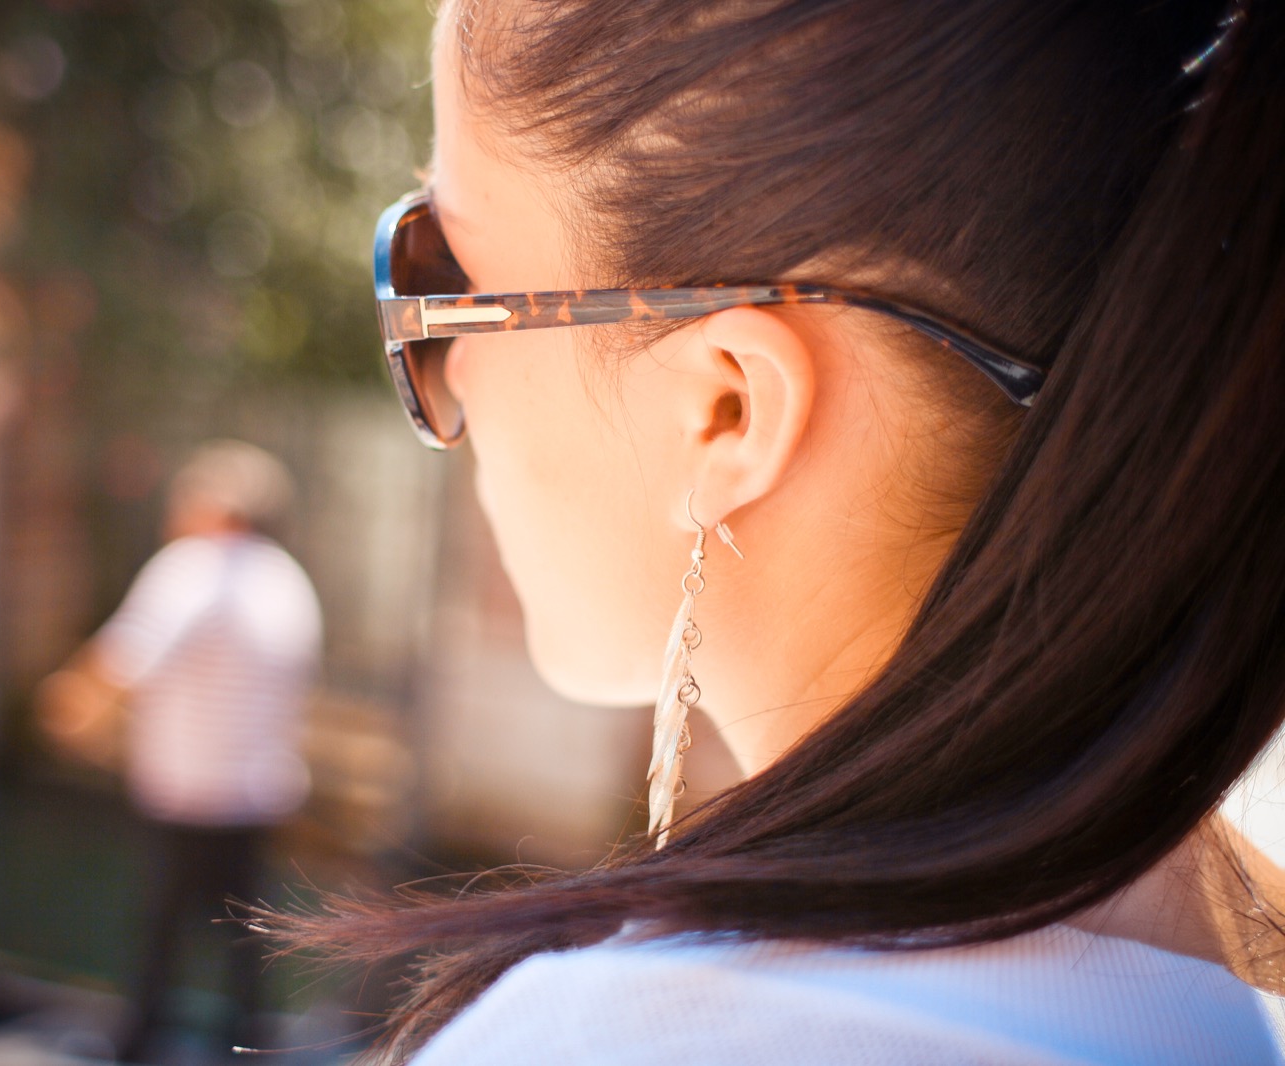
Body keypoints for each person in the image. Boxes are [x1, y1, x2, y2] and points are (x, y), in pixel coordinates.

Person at [281, 0, 1285, 1062]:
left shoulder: (620, 1043)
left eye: (447, 277)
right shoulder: (1215, 1023)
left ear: (726, 409)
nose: (445, 379)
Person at [40, 440, 322, 1061]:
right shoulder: (289, 580)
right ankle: (248, 1045)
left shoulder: (192, 568)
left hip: (188, 795)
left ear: (217, 509)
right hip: (256, 797)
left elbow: (120, 663)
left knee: (159, 936)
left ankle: (136, 1045)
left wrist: (65, 712)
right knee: (247, 942)